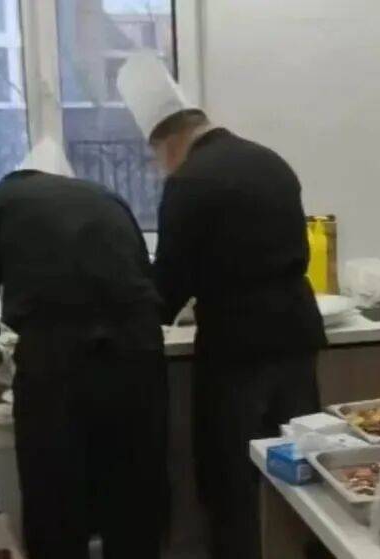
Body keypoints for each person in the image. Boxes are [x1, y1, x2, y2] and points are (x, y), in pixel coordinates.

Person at [118, 52, 326, 559]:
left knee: (232, 482)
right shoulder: (269, 160)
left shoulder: (189, 181)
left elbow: (169, 284)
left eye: (157, 158)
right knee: (302, 473)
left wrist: (134, 311)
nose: (161, 169)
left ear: (167, 142)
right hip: (296, 334)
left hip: (238, 350)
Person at [0, 141, 169, 559]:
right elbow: (147, 281)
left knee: (55, 500)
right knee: (134, 493)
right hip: (138, 352)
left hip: (57, 359)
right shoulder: (107, 199)